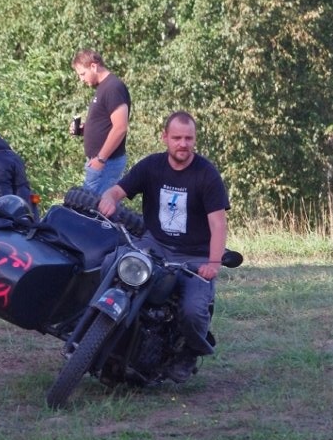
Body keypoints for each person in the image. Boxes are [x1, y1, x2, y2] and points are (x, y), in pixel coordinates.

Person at [98, 110, 230, 382]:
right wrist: (109, 199)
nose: (183, 144)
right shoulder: (151, 166)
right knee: (111, 263)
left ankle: (190, 351)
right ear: (165, 138)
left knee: (193, 311)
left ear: (194, 139)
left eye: (188, 138)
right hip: (154, 245)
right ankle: (100, 329)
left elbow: (218, 224)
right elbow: (117, 190)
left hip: (194, 256)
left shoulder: (206, 174)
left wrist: (213, 263)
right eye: (177, 138)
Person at [71, 49, 131, 194]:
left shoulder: (113, 87)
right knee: (89, 203)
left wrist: (101, 159)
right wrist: (84, 129)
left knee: (96, 205)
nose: (81, 79)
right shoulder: (103, 87)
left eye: (82, 74)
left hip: (107, 163)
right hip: (101, 162)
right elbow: (105, 125)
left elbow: (120, 128)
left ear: (93, 66)